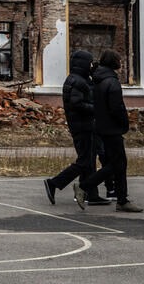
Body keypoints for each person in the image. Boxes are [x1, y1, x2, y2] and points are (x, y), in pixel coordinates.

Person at [42, 49, 110, 209]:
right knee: (85, 160)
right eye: (90, 63)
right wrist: (97, 108)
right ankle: (54, 183)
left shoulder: (80, 79)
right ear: (83, 64)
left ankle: (91, 194)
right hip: (83, 126)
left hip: (84, 125)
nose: (92, 65)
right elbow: (77, 104)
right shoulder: (77, 81)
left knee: (90, 160)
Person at [84, 49, 143, 213]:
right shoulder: (112, 82)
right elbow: (117, 108)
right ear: (114, 63)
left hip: (102, 127)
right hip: (112, 129)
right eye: (120, 60)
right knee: (119, 164)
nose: (122, 64)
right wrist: (124, 123)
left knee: (116, 164)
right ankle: (87, 186)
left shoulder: (98, 79)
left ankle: (120, 198)